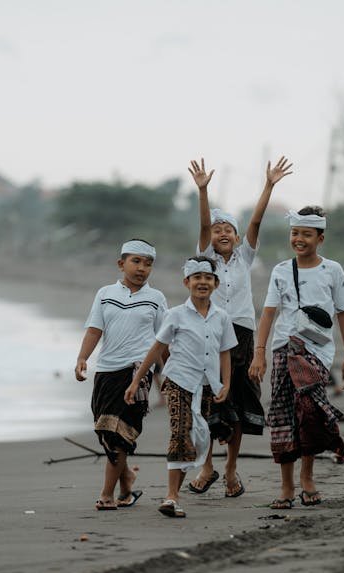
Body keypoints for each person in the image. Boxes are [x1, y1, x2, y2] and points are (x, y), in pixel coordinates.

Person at [185, 156, 292, 498]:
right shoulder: (207, 261)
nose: (222, 234)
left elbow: (257, 221)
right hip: (211, 333)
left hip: (243, 335)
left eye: (228, 229)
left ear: (235, 235)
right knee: (211, 400)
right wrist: (204, 191)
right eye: (217, 231)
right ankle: (207, 465)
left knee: (240, 403)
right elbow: (203, 226)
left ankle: (231, 469)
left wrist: (270, 185)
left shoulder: (245, 257)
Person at [249, 206, 344, 509]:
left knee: (309, 413)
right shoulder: (281, 270)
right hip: (284, 349)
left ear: (320, 238)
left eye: (306, 234)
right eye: (295, 233)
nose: (299, 239)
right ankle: (286, 486)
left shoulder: (333, 270)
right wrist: (260, 353)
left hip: (318, 353)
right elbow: (268, 313)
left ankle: (307, 478)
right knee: (283, 416)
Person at [124, 256, 237, 519]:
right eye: (197, 278)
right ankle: (172, 497)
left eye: (208, 278)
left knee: (200, 437)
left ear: (216, 283)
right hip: (178, 382)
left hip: (208, 386)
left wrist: (227, 384)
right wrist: (136, 380)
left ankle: (189, 481)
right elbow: (157, 349)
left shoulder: (222, 317)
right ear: (187, 282)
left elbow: (225, 353)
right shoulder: (175, 315)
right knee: (180, 433)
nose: (202, 283)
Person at [75, 239, 168, 511]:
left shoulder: (156, 298)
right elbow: (94, 329)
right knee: (104, 429)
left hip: (137, 372)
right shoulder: (104, 294)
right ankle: (127, 480)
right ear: (121, 264)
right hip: (105, 370)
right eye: (136, 262)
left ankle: (107, 494)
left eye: (148, 264)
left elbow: (164, 341)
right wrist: (82, 358)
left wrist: (171, 375)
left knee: (120, 433)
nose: (142, 268)